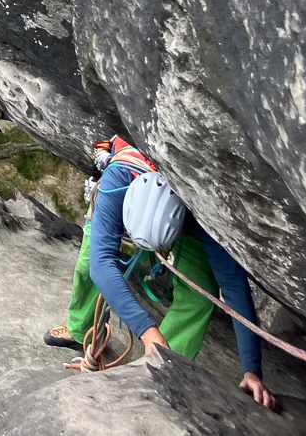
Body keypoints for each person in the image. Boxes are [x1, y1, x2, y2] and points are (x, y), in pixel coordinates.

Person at [45, 136, 280, 411]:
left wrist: (251, 371)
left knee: (200, 294)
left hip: (185, 215)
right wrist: (147, 330)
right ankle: (80, 327)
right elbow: (101, 265)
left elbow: (232, 283)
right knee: (88, 260)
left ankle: (158, 364)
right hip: (128, 189)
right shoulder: (116, 182)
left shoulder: (201, 214)